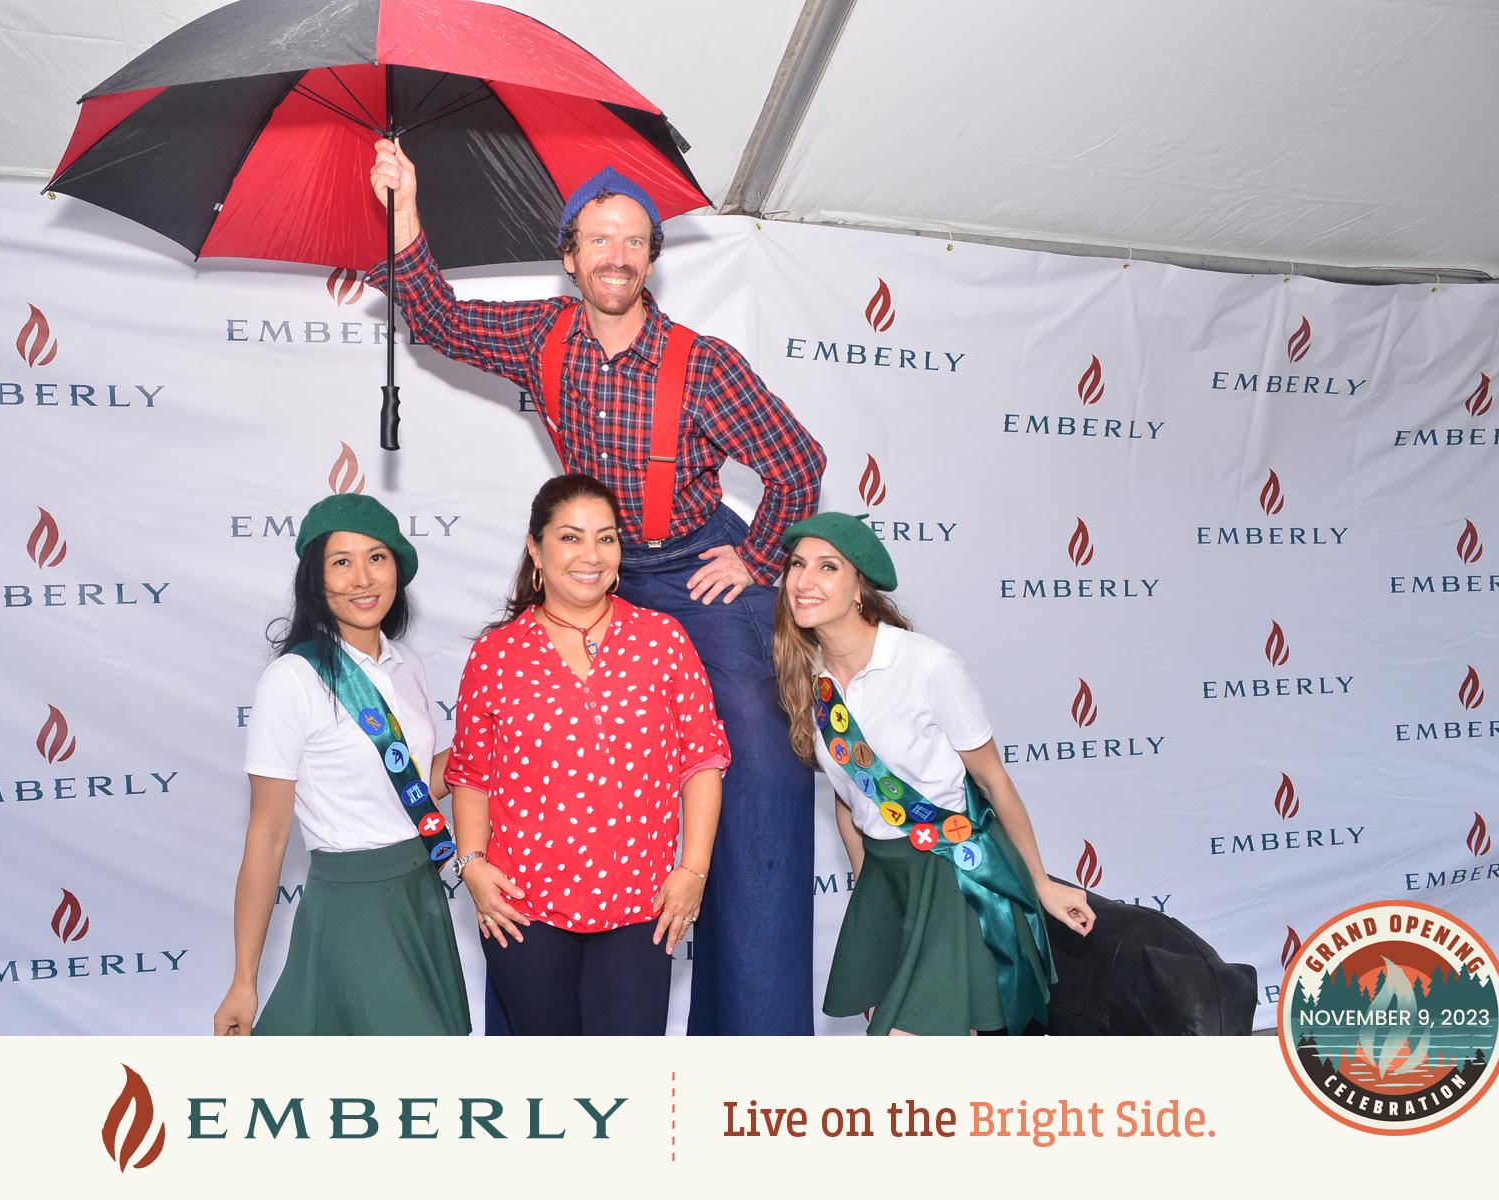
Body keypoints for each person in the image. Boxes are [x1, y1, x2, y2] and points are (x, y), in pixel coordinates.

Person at [369, 142, 824, 1035]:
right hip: (596, 567)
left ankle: (752, 1042)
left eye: (634, 242)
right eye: (598, 240)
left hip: (695, 572)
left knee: (764, 775)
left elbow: (798, 464)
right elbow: (437, 321)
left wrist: (756, 556)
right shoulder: (539, 335)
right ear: (569, 257)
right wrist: (406, 208)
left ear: (651, 259)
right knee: (542, 756)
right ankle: (541, 1001)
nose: (617, 256)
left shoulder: (705, 363)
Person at [773, 512, 1095, 1035]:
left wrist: (1041, 881)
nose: (805, 581)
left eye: (828, 568)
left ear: (860, 588)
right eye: (796, 565)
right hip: (886, 877)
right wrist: (867, 892)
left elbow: (994, 782)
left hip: (951, 873)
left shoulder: (928, 665)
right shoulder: (815, 684)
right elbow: (848, 797)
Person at [445, 473, 727, 1035]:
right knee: (551, 1090)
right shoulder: (496, 653)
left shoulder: (662, 639)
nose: (590, 555)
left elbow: (702, 761)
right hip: (522, 906)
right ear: (536, 550)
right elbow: (472, 772)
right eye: (571, 538)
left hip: (641, 904)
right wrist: (472, 865)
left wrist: (693, 870)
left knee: (625, 1088)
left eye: (606, 538)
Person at [213, 493, 469, 1036]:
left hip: (418, 891)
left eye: (377, 557)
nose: (362, 578)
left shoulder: (407, 665)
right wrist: (243, 980)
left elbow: (411, 786)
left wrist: (491, 748)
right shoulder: (293, 680)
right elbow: (268, 835)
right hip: (353, 903)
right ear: (316, 578)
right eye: (341, 562)